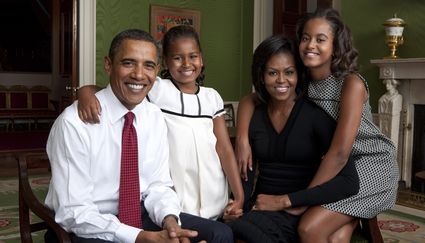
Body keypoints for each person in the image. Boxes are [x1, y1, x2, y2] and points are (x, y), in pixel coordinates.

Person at [44, 28, 233, 243]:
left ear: (157, 70)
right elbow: (74, 212)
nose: (139, 74)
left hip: (140, 212)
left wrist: (170, 221)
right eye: (128, 63)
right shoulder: (74, 123)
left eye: (149, 65)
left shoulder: (153, 116)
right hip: (88, 223)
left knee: (221, 234)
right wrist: (141, 238)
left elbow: (159, 185)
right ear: (108, 64)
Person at [235, 8, 399, 243]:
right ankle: (348, 221)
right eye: (305, 38)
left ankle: (348, 218)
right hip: (340, 167)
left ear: (336, 46)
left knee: (309, 228)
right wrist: (242, 137)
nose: (311, 44)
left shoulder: (351, 84)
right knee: (336, 237)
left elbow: (340, 152)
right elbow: (251, 99)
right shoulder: (305, 80)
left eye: (320, 39)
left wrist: (300, 200)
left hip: (371, 164)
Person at [227, 35, 359, 243]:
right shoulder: (255, 115)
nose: (281, 80)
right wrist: (237, 206)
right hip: (261, 207)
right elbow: (247, 175)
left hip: (298, 211)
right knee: (226, 229)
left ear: (298, 75)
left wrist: (289, 202)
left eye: (289, 72)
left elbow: (349, 182)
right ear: (261, 76)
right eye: (272, 73)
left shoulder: (316, 116)